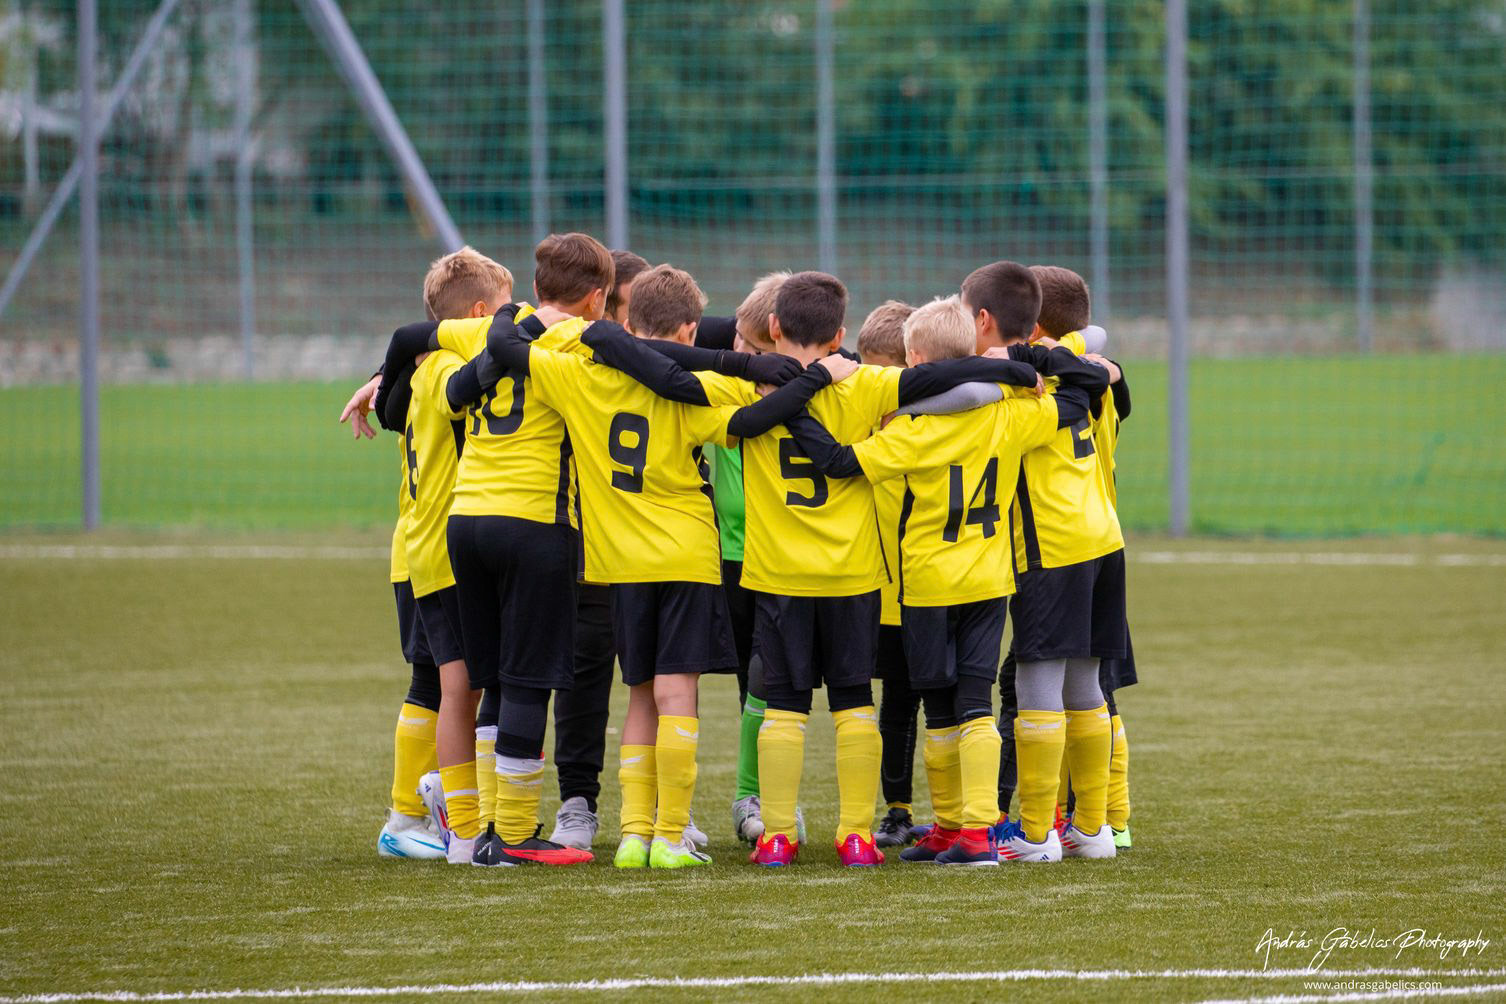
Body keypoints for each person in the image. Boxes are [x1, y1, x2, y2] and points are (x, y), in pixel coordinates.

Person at [480, 263, 843, 867]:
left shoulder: (576, 374)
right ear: (690, 331)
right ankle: (671, 835)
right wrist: (812, 377)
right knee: (678, 695)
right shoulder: (698, 385)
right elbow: (754, 418)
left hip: (618, 562)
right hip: (685, 555)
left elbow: (514, 349)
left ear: (626, 322)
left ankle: (632, 835)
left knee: (640, 697)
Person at [782, 295, 1106, 865]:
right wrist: (1042, 364)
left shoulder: (913, 428)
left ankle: (957, 825)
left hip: (929, 582)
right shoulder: (1009, 416)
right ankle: (975, 832)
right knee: (976, 702)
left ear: (914, 360)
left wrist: (793, 412)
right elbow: (1079, 399)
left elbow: (838, 463)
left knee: (940, 708)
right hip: (989, 580)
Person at [962, 260, 1126, 862]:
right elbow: (1098, 350)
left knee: (1038, 680)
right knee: (1086, 684)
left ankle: (1035, 834)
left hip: (1050, 545)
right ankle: (1093, 827)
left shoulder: (1020, 383)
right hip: (1103, 539)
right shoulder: (1093, 370)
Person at [378, 248, 514, 863]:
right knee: (448, 684)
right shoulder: (442, 371)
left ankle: (429, 807)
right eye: (504, 310)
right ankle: (418, 815)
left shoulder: (422, 368)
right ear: (481, 314)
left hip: (422, 545)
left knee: (440, 682)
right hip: (439, 550)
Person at [851, 300, 927, 850]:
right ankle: (895, 811)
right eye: (867, 368)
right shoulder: (856, 416)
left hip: (928, 589)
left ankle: (965, 815)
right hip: (869, 592)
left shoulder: (930, 425)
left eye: (885, 371)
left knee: (938, 701)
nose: (874, 382)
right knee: (890, 704)